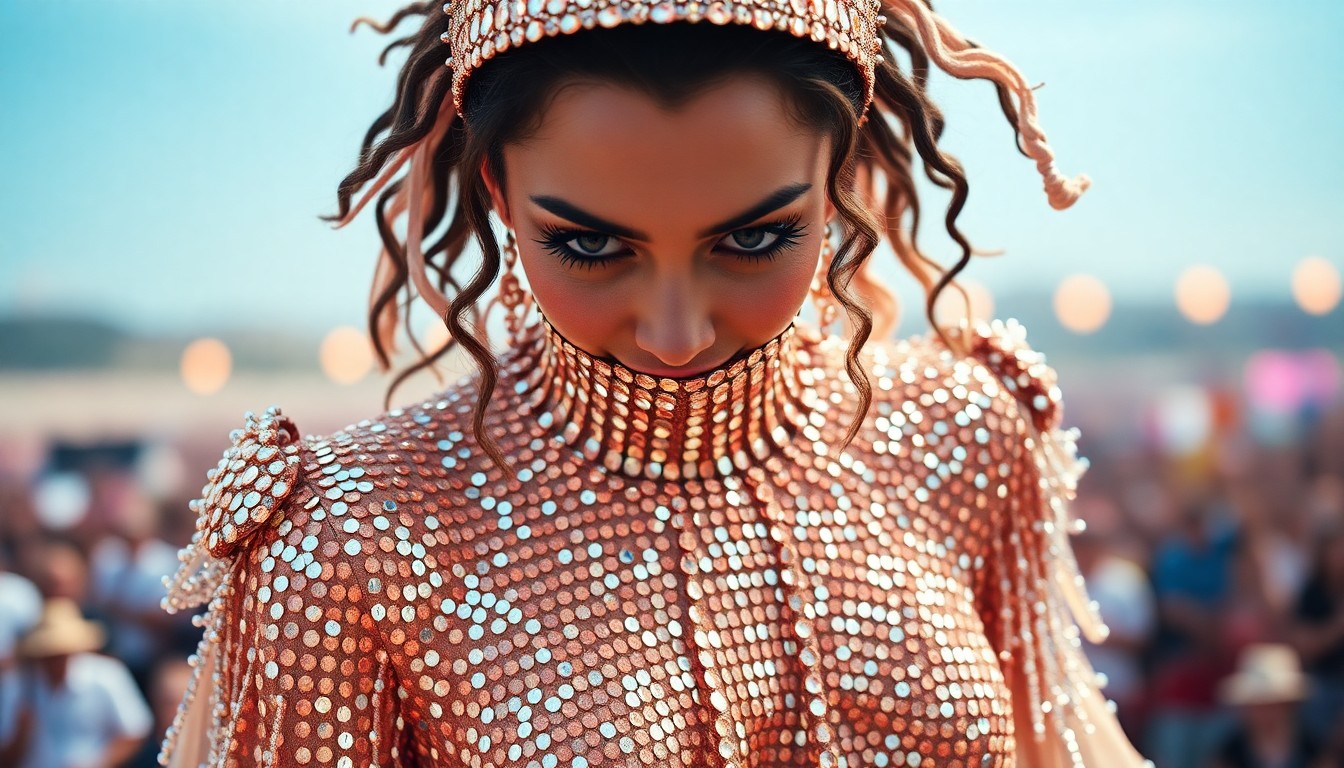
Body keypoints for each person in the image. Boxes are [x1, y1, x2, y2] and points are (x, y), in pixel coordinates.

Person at [160, 1, 1153, 766]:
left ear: (838, 174)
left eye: (753, 239)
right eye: (591, 246)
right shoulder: (350, 540)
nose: (678, 337)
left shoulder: (964, 435)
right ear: (498, 189)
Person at [0, 597, 153, 768]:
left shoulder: (106, 675)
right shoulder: (18, 684)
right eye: (49, 655)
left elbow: (135, 731)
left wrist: (97, 764)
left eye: (60, 653)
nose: (55, 661)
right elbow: (5, 756)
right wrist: (22, 733)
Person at [1209, 643, 1328, 768]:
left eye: (1272, 704)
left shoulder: (1314, 749)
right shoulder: (1228, 753)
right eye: (1258, 704)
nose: (1265, 712)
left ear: (1288, 705)